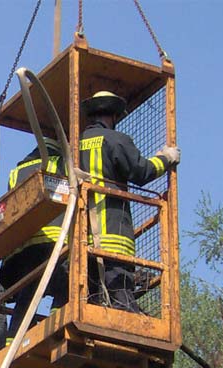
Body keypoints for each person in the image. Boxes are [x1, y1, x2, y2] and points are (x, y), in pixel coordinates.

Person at [78, 90, 180, 312]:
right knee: (121, 293)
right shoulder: (116, 139)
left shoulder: (74, 146)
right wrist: (166, 158)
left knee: (92, 297)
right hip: (114, 231)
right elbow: (141, 172)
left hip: (80, 238)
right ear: (113, 116)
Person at [0, 139, 70, 347]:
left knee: (27, 294)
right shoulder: (57, 164)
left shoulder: (16, 172)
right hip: (49, 242)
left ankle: (13, 340)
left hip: (22, 250)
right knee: (67, 283)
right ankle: (59, 322)